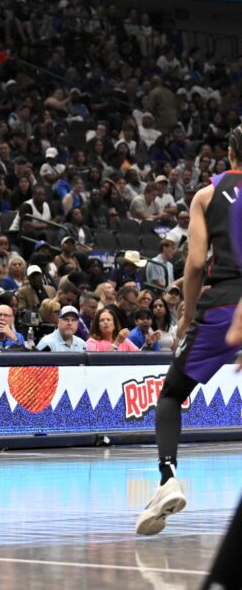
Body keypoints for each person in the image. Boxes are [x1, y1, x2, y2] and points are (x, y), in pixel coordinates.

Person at [137, 127, 242, 536]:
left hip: (221, 308)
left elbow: (196, 264)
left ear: (230, 154)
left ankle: (167, 479)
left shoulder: (206, 196)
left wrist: (186, 316)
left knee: (171, 396)